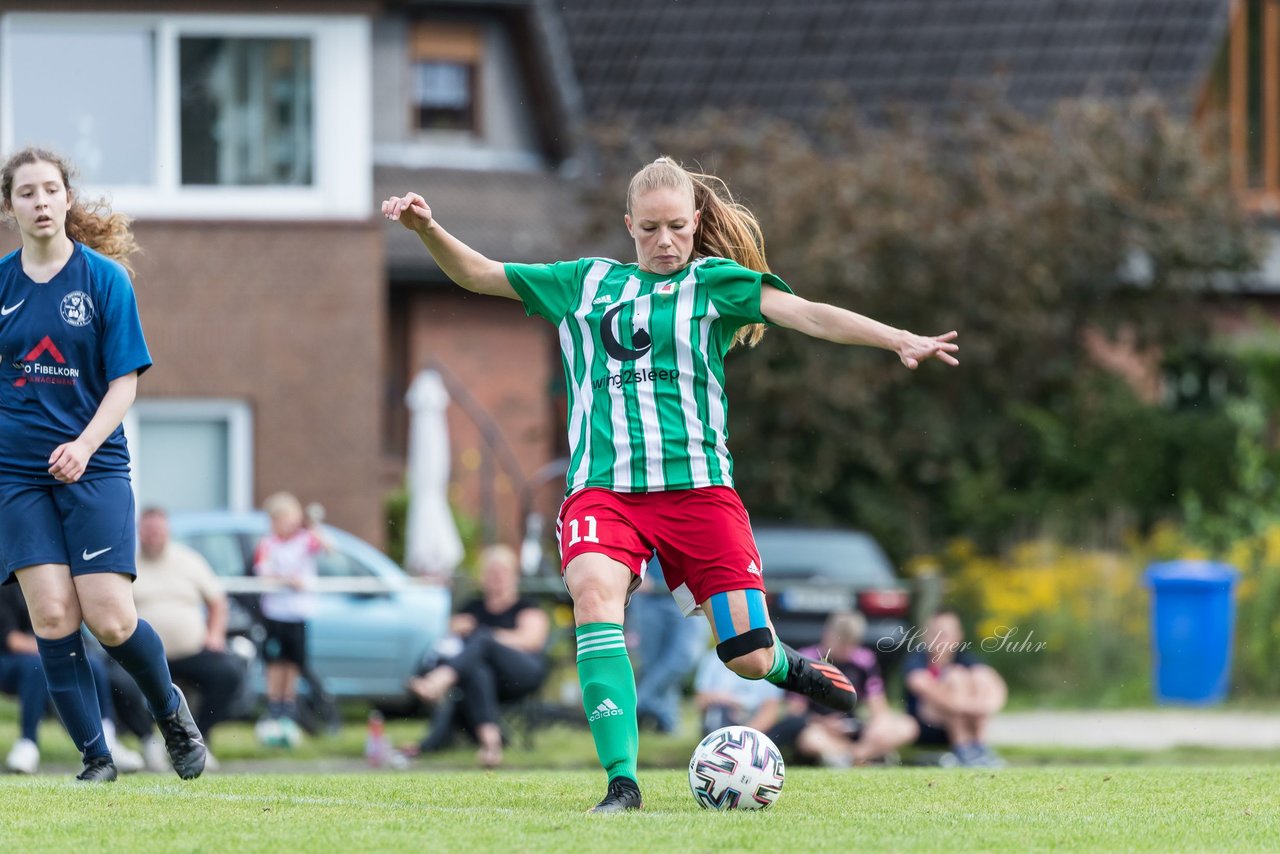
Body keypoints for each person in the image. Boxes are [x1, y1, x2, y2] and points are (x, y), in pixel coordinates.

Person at [382, 156, 959, 812]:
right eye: (650, 228)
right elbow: (480, 274)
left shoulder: (717, 286)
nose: (664, 241)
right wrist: (427, 229)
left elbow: (809, 315)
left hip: (700, 494)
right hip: (605, 490)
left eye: (677, 227)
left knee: (743, 653)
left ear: (697, 223)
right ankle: (621, 783)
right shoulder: (584, 283)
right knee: (595, 595)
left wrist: (897, 339)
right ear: (629, 225)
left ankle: (786, 667)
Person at [0, 147, 206, 782]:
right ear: (10, 208)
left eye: (49, 190)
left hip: (96, 466)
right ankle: (96, 759)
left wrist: (84, 446)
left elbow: (125, 385)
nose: (39, 201)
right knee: (53, 616)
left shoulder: (104, 280)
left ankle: (172, 715)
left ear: (67, 199)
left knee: (110, 617)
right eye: (25, 192)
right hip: (17, 474)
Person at [109, 506, 246, 770]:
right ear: (139, 532)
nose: (153, 536)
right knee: (116, 681)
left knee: (229, 672)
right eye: (148, 531)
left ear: (167, 531)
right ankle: (150, 741)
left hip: (190, 652)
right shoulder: (127, 562)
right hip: (142, 658)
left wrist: (215, 634)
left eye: (158, 530)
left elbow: (218, 601)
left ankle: (197, 739)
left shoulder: (190, 561)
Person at [407, 544, 550, 768]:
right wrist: (457, 627)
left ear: (514, 576)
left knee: (482, 639)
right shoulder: (473, 607)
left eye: (503, 572)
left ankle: (438, 680)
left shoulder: (526, 606)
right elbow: (449, 638)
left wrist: (489, 637)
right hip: (489, 681)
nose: (497, 578)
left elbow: (531, 640)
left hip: (523, 672)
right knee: (477, 671)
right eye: (492, 573)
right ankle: (491, 745)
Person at [1, 583, 144, 774]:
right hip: (11, 661)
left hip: (51, 652)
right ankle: (28, 743)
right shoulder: (6, 587)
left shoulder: (57, 586)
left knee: (93, 663)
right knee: (35, 667)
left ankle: (107, 739)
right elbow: (13, 640)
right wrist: (52, 649)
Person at [779, 611, 919, 767]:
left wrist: (876, 728)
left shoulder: (864, 660)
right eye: (842, 643)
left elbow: (878, 708)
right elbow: (795, 712)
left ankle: (851, 757)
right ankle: (865, 756)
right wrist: (825, 723)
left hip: (854, 730)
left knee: (908, 726)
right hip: (819, 728)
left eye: (851, 644)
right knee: (809, 739)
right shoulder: (806, 659)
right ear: (827, 635)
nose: (846, 649)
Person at [252, 491, 324, 747]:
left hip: (298, 612)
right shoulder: (267, 544)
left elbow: (327, 546)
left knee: (293, 662)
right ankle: (273, 706)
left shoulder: (305, 540)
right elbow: (263, 574)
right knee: (275, 661)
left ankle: (288, 707)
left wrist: (312, 525)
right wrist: (287, 581)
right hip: (275, 613)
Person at [903, 609, 1007, 767]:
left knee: (978, 677)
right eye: (934, 633)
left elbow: (994, 684)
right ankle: (964, 748)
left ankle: (979, 746)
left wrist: (985, 706)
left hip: (967, 716)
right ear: (926, 636)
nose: (939, 639)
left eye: (945, 634)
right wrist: (965, 705)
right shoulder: (918, 659)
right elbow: (920, 685)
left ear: (958, 636)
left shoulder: (964, 658)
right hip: (929, 724)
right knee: (955, 677)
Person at [630, 557, 710, 734]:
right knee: (653, 662)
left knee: (685, 657)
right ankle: (667, 725)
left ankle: (637, 703)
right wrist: (635, 573)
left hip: (690, 591)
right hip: (648, 596)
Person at [692, 646, 784, 736]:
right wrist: (722, 699)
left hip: (752, 718)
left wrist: (746, 734)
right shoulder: (712, 658)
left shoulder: (767, 660)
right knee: (720, 711)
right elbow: (700, 701)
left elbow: (771, 708)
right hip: (720, 715)